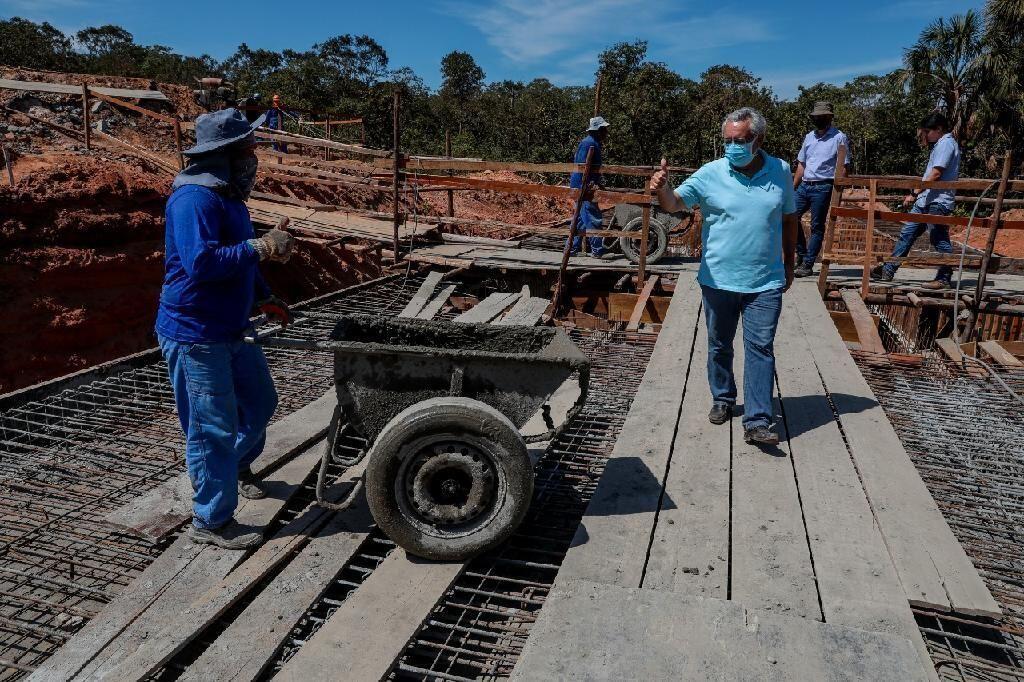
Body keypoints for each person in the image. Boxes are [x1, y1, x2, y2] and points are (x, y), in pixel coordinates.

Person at [156, 108, 296, 549]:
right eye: (249, 150)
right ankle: (211, 520)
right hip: (195, 333)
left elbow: (241, 258)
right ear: (225, 155)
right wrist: (262, 245)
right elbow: (201, 263)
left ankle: (234, 467)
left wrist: (264, 295)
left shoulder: (229, 198)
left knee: (259, 402)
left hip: (231, 326)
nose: (255, 158)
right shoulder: (194, 199)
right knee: (209, 426)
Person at [651, 107, 798, 446]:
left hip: (765, 281)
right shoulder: (710, 173)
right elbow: (674, 204)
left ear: (758, 140)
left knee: (760, 347)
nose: (732, 146)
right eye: (727, 140)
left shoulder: (781, 171)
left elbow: (789, 220)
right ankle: (723, 396)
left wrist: (790, 264)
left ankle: (758, 421)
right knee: (719, 344)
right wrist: (661, 187)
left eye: (740, 140)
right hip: (718, 280)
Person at [872, 112, 960, 289]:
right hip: (926, 200)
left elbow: (936, 173)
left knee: (939, 238)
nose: (926, 135)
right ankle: (888, 269)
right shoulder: (940, 144)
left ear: (939, 129)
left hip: (938, 201)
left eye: (928, 131)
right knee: (907, 233)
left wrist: (914, 192)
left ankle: (944, 277)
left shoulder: (946, 144)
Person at [792, 101, 850, 277]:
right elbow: (802, 163)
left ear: (829, 117)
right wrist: (793, 187)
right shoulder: (809, 137)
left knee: (817, 226)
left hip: (824, 186)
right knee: (789, 216)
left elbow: (844, 166)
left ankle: (808, 264)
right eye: (816, 117)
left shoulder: (839, 137)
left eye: (821, 117)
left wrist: (839, 191)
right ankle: (802, 255)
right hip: (805, 184)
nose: (818, 119)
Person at [568, 116, 610, 256]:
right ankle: (597, 250)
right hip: (583, 185)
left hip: (582, 184)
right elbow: (582, 167)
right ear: (598, 130)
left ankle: (572, 249)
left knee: (579, 219)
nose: (606, 132)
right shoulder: (589, 144)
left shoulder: (592, 143)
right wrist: (586, 185)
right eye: (604, 129)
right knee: (592, 216)